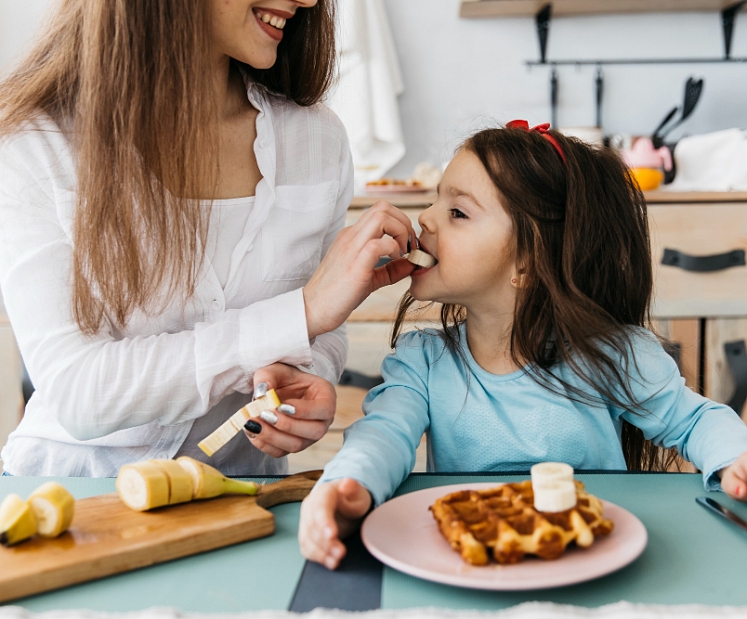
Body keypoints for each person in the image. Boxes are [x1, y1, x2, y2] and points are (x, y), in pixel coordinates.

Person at [298, 121, 747, 569]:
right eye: (436, 199)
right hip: (472, 572)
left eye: (458, 213)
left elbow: (693, 421)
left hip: (592, 565)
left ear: (527, 263)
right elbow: (384, 435)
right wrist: (350, 482)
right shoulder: (424, 363)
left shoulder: (611, 357)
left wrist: (735, 459)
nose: (426, 218)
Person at [0, 0, 416, 477]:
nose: (308, 0)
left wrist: (309, 379)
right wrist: (298, 313)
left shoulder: (317, 139)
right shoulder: (35, 142)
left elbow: (325, 328)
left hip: (243, 504)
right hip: (74, 504)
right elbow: (79, 392)